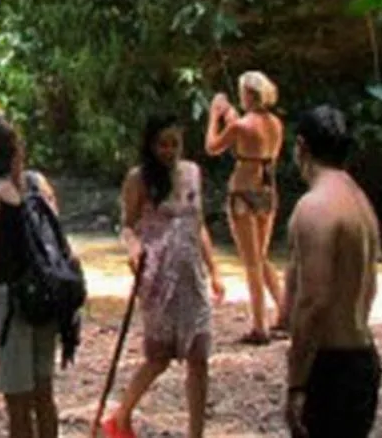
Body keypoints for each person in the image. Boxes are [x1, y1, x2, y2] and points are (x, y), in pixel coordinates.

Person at [103, 113, 224, 438]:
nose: (169, 151)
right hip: (157, 277)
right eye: (162, 144)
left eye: (175, 144)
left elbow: (198, 225)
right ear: (150, 145)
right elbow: (127, 226)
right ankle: (120, 416)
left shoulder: (193, 173)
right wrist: (133, 250)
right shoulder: (138, 179)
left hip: (191, 276)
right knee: (159, 358)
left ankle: (196, 433)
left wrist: (214, 271)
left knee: (200, 357)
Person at [284, 106, 382, 438]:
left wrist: (296, 383)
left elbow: (313, 300)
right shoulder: (359, 200)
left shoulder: (315, 206)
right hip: (364, 358)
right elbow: (369, 287)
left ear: (301, 147)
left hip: (330, 366)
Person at [0, 115, 62, 438]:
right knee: (43, 394)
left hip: (12, 302)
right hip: (47, 293)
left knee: (17, 402)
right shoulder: (37, 184)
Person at [205, 70, 287, 343]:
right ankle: (285, 313)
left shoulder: (241, 126)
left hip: (242, 192)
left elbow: (212, 147)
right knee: (261, 257)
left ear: (248, 95)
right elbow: (253, 140)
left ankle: (260, 327)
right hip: (267, 190)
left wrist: (214, 116)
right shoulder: (275, 123)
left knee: (251, 263)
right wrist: (231, 118)